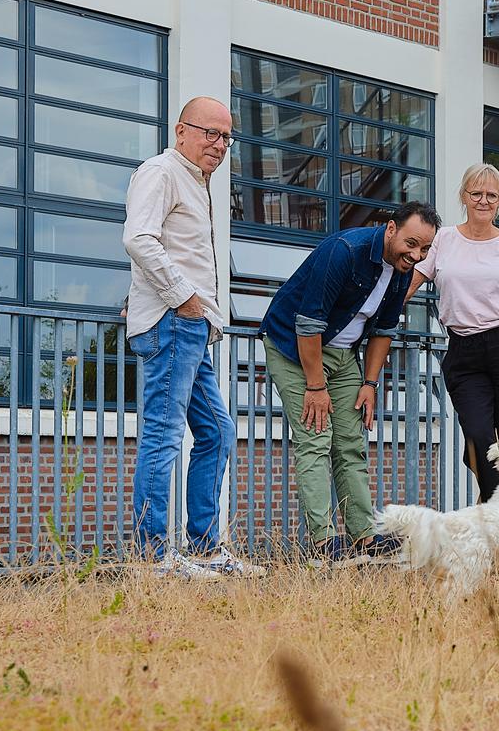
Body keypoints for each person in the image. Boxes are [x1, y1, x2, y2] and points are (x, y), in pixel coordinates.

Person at [261, 201, 441, 565]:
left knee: (350, 444)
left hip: (345, 357)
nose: (416, 255)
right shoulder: (345, 251)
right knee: (315, 439)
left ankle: (363, 536)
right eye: (411, 243)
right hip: (297, 350)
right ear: (391, 229)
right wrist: (315, 386)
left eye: (425, 249)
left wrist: (369, 383)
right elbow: (308, 323)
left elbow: (383, 330)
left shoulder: (404, 270)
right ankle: (322, 543)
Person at [123, 96, 257, 579]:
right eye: (210, 133)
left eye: (226, 137)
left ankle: (202, 549)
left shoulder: (197, 183)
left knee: (218, 433)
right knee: (162, 435)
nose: (219, 145)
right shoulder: (161, 171)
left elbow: (166, 245)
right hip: (175, 320)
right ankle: (152, 557)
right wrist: (183, 297)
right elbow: (139, 238)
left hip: (192, 326)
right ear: (181, 130)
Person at [406, 163, 499, 501]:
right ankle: (494, 508)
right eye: (477, 194)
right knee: (478, 435)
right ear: (464, 197)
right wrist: (376, 313)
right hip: (464, 351)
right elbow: (411, 282)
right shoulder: (443, 239)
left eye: (491, 195)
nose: (483, 201)